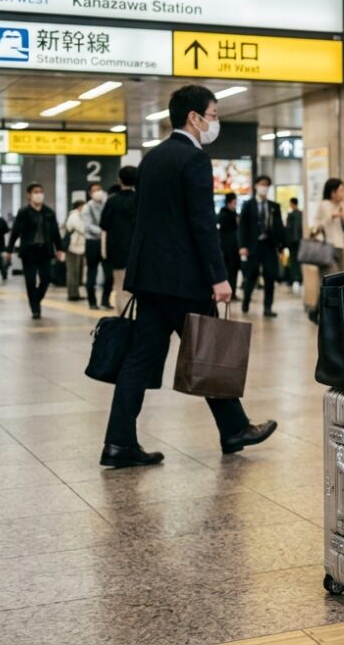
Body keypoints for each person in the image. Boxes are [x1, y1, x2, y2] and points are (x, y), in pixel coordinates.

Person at [102, 84, 276, 468]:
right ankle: (234, 429)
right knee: (209, 352)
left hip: (150, 278)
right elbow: (202, 224)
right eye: (213, 116)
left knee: (139, 360)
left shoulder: (152, 158)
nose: (215, 123)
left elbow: (146, 223)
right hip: (183, 280)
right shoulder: (194, 160)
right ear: (194, 118)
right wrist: (219, 276)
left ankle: (119, 442)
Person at [4, 183, 65, 319]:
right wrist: (9, 250)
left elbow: (55, 232)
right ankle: (35, 309)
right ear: (29, 195)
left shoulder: (49, 212)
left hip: (45, 250)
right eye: (36, 192)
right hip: (29, 251)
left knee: (46, 279)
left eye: (41, 192)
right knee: (30, 281)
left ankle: (36, 299)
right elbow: (15, 232)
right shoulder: (23, 212)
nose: (39, 194)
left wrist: (60, 248)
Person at [238, 175, 285, 317]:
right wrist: (242, 246)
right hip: (253, 245)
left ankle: (268, 307)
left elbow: (279, 226)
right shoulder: (248, 205)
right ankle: (246, 301)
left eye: (267, 185)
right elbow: (242, 227)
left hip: (269, 245)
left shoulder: (274, 206)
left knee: (270, 276)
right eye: (262, 184)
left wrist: (281, 245)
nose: (264, 187)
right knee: (251, 276)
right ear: (256, 186)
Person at [101, 165, 138, 310]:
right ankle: (134, 319)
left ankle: (122, 321)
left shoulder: (112, 201)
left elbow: (104, 224)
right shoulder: (140, 200)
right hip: (136, 251)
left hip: (116, 250)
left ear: (119, 180)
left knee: (120, 288)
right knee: (134, 291)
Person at [81, 182, 113, 310]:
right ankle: (92, 301)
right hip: (93, 242)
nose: (98, 192)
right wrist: (104, 231)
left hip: (106, 243)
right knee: (92, 274)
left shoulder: (107, 204)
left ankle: (105, 300)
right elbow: (88, 226)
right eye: (95, 190)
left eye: (100, 189)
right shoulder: (86, 208)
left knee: (109, 274)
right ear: (90, 193)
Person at [312, 178, 344, 273]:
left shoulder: (343, 205)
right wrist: (331, 216)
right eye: (341, 190)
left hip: (340, 246)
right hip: (325, 246)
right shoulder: (323, 205)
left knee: (340, 277)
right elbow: (316, 226)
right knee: (329, 276)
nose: (343, 193)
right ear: (333, 192)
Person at [63, 200, 87, 301]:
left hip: (78, 247)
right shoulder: (74, 216)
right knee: (72, 272)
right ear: (79, 207)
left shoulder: (78, 216)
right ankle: (72, 294)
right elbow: (82, 229)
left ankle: (75, 293)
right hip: (73, 248)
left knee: (76, 272)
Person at [218, 193, 241, 300]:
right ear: (229, 202)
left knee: (233, 271)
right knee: (228, 271)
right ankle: (228, 292)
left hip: (234, 248)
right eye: (234, 202)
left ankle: (233, 292)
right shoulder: (223, 215)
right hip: (226, 249)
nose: (235, 204)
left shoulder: (234, 214)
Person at [285, 197, 304, 290]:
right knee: (299, 261)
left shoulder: (291, 215)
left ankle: (295, 278)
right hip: (299, 241)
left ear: (292, 204)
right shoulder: (301, 214)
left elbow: (288, 229)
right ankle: (299, 278)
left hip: (292, 242)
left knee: (293, 261)